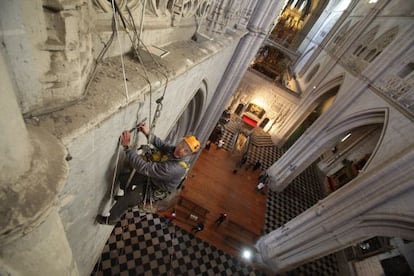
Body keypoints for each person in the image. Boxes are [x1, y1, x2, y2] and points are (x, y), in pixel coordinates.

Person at [96, 123, 201, 225]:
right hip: (155, 177)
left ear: (189, 155)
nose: (181, 150)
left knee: (126, 200)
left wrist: (127, 148)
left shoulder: (175, 168)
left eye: (186, 151)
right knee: (124, 179)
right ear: (181, 141)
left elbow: (144, 167)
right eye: (182, 144)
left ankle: (111, 219)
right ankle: (126, 195)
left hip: (155, 188)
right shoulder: (175, 151)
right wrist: (147, 133)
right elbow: (162, 145)